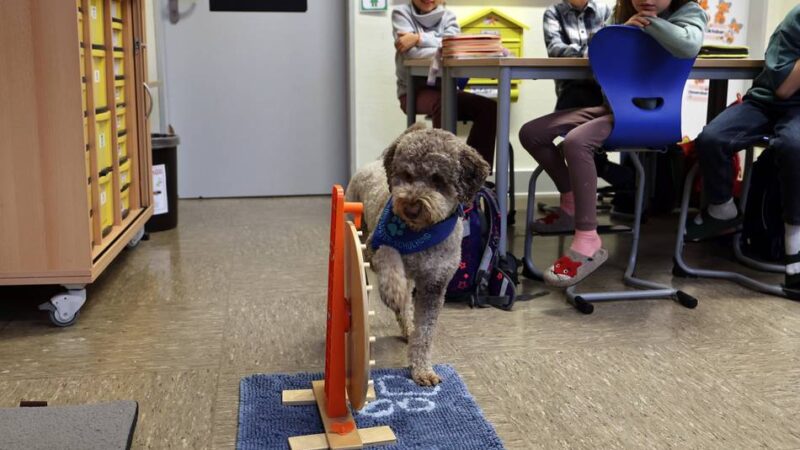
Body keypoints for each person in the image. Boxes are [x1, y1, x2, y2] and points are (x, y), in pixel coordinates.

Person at [518, 0, 708, 287]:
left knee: (576, 141)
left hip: (651, 116)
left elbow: (688, 45)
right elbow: (603, 67)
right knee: (532, 133)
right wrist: (618, 34)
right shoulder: (622, 14)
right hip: (615, 107)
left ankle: (587, 240)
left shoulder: (690, 13)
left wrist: (648, 22)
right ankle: (570, 205)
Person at [687, 5, 800, 293]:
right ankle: (722, 209)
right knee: (712, 138)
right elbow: (784, 89)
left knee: (793, 146)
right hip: (767, 101)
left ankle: (794, 242)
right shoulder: (796, 18)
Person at [392, 0, 497, 168]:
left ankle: (475, 172)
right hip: (413, 91)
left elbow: (454, 47)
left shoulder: (448, 16)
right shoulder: (401, 13)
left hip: (447, 88)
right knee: (444, 103)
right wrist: (442, 44)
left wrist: (418, 38)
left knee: (489, 108)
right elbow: (412, 53)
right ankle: (443, 170)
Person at [544, 0, 612, 110]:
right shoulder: (553, 12)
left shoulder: (605, 11)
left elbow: (612, 45)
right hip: (570, 89)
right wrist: (587, 52)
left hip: (604, 90)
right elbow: (554, 48)